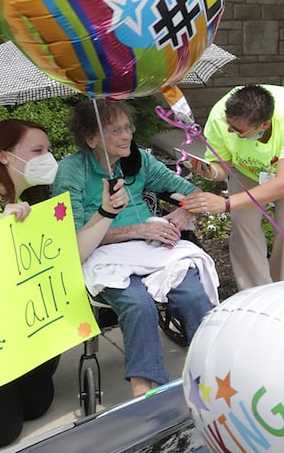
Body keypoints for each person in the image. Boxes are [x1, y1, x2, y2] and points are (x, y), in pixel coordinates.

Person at [0, 120, 124, 448]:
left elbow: (68, 254)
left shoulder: (31, 202)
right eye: (37, 151)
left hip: (10, 335)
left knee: (38, 404)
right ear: (4, 156)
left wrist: (106, 212)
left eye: (48, 150)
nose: (47, 158)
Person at [53, 101, 217, 398]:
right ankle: (144, 393)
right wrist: (138, 229)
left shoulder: (138, 160)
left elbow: (192, 193)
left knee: (193, 294)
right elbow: (74, 238)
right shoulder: (71, 171)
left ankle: (214, 373)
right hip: (103, 252)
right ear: (91, 139)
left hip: (151, 246)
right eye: (116, 130)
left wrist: (184, 215)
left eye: (128, 127)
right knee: (138, 305)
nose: (127, 135)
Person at [181, 84, 284, 288]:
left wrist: (225, 203)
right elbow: (222, 167)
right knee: (243, 225)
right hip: (248, 169)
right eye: (229, 125)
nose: (230, 131)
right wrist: (210, 171)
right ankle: (255, 293)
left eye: (238, 131)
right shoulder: (219, 117)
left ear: (264, 125)